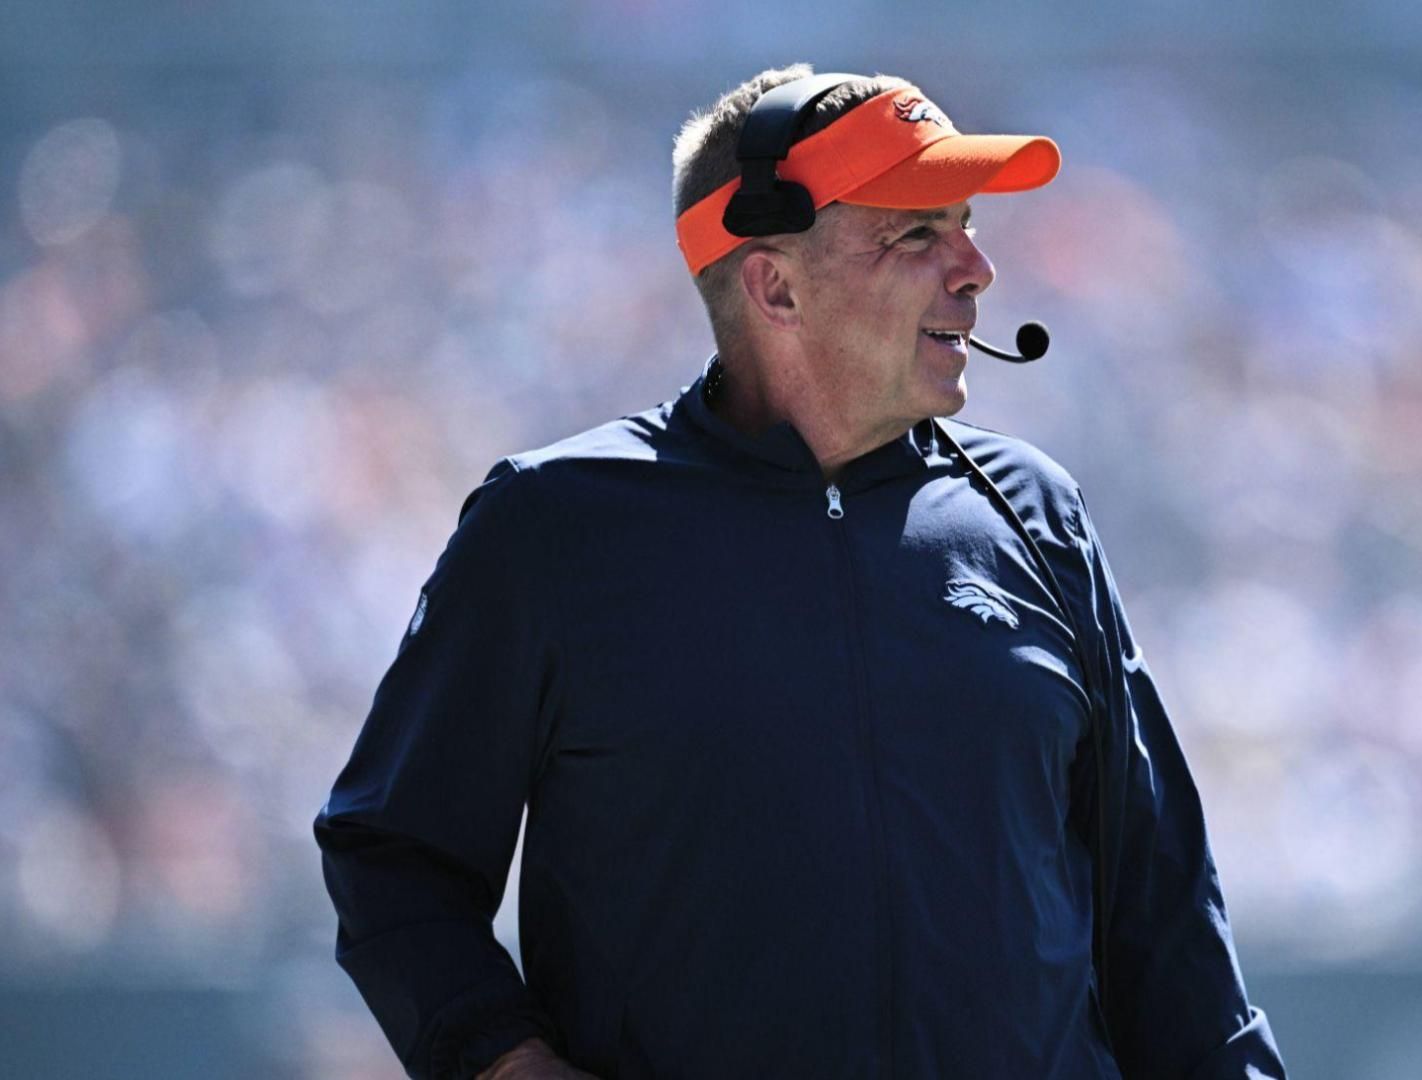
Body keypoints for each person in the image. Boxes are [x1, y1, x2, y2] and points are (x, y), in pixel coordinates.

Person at [314, 63, 1285, 1080]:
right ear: (773, 283)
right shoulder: (553, 528)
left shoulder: (1036, 513)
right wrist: (508, 1067)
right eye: (916, 233)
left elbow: (1164, 916)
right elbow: (394, 862)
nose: (975, 269)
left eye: (966, 224)